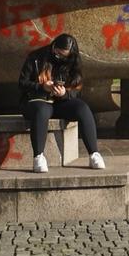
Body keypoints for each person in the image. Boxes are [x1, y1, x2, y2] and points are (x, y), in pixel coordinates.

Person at [18, 33, 105, 173]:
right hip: (37, 101)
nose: (59, 57)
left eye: (63, 55)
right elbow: (22, 83)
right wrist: (42, 87)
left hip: (60, 102)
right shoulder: (36, 57)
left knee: (82, 108)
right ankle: (38, 156)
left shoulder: (72, 62)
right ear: (53, 46)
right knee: (42, 111)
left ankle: (94, 154)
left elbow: (77, 90)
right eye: (57, 53)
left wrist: (65, 93)